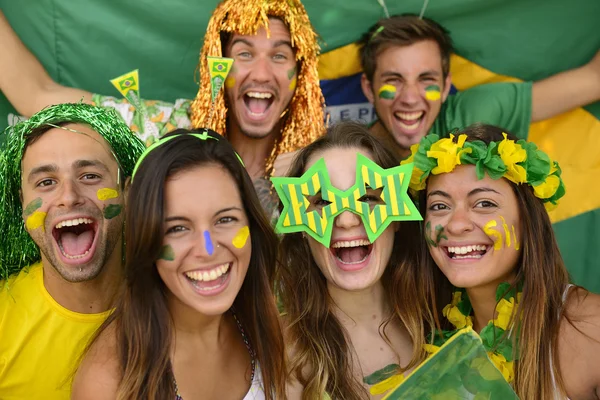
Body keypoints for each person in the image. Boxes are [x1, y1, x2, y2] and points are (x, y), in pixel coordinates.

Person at [0, 0, 325, 215]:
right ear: (218, 65)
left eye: (279, 56)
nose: (262, 73)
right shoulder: (161, 128)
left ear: (301, 74)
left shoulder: (317, 164)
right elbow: (35, 93)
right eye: (243, 54)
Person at [71, 129, 286, 399]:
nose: (208, 250)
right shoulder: (108, 383)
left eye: (225, 220)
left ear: (251, 225)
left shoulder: (278, 337)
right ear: (146, 240)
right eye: (178, 228)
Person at [405, 123, 600, 399]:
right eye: (440, 206)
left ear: (527, 221)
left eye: (484, 203)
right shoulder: (425, 344)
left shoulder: (591, 328)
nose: (456, 225)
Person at [274, 122, 430, 399]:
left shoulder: (446, 319)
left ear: (397, 218)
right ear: (299, 228)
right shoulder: (276, 350)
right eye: (322, 202)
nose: (346, 220)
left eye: (368, 198)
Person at [0, 103, 145, 399]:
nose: (68, 197)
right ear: (22, 207)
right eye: (46, 182)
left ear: (128, 194)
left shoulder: (180, 307)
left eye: (90, 176)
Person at [358, 14, 600, 160]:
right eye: (394, 80)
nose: (410, 98)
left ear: (445, 87)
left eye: (426, 80)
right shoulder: (350, 158)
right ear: (369, 89)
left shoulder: (472, 115)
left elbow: (594, 79)